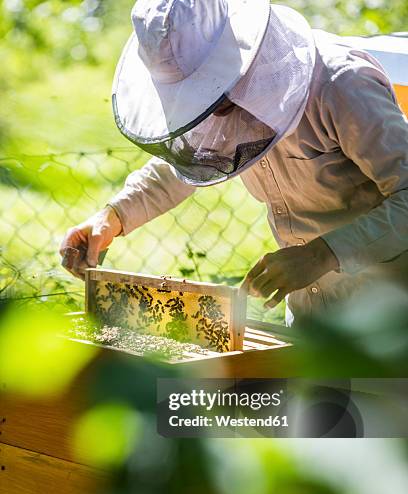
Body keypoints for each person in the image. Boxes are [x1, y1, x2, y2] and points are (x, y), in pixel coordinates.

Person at [60, 0, 408, 326]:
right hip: (312, 319)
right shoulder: (219, 101)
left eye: (207, 92)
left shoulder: (341, 84)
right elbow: (187, 162)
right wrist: (113, 217)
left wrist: (321, 255)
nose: (207, 111)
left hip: (390, 320)